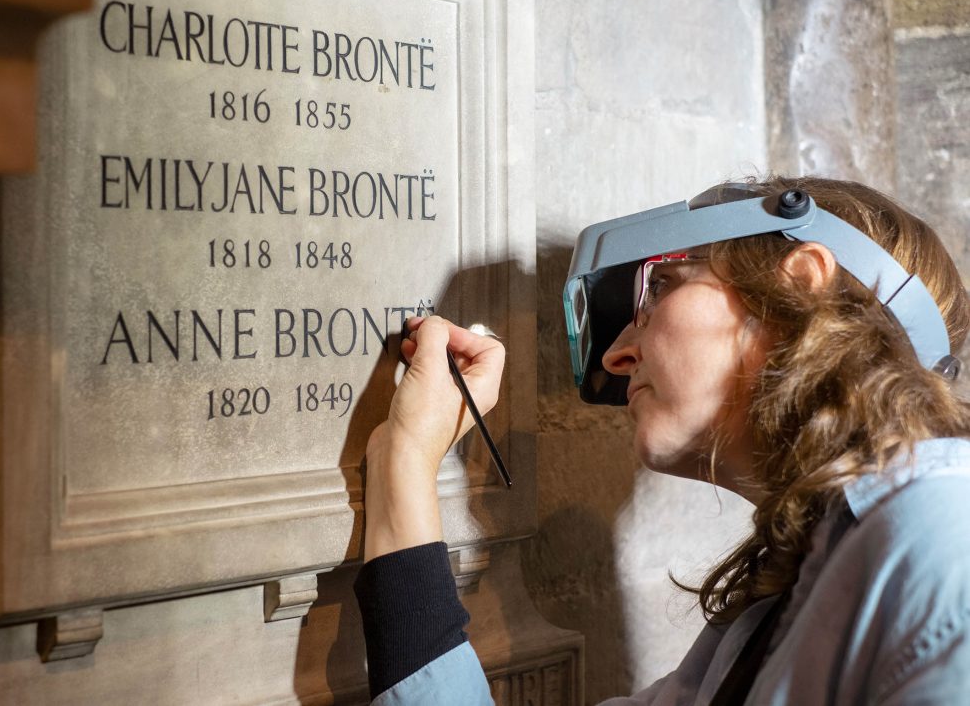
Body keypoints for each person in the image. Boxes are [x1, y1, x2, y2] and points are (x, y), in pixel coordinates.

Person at [352, 176, 970, 705]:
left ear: (797, 288)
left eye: (658, 290)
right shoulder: (760, 626)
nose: (618, 356)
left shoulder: (941, 538)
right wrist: (403, 460)